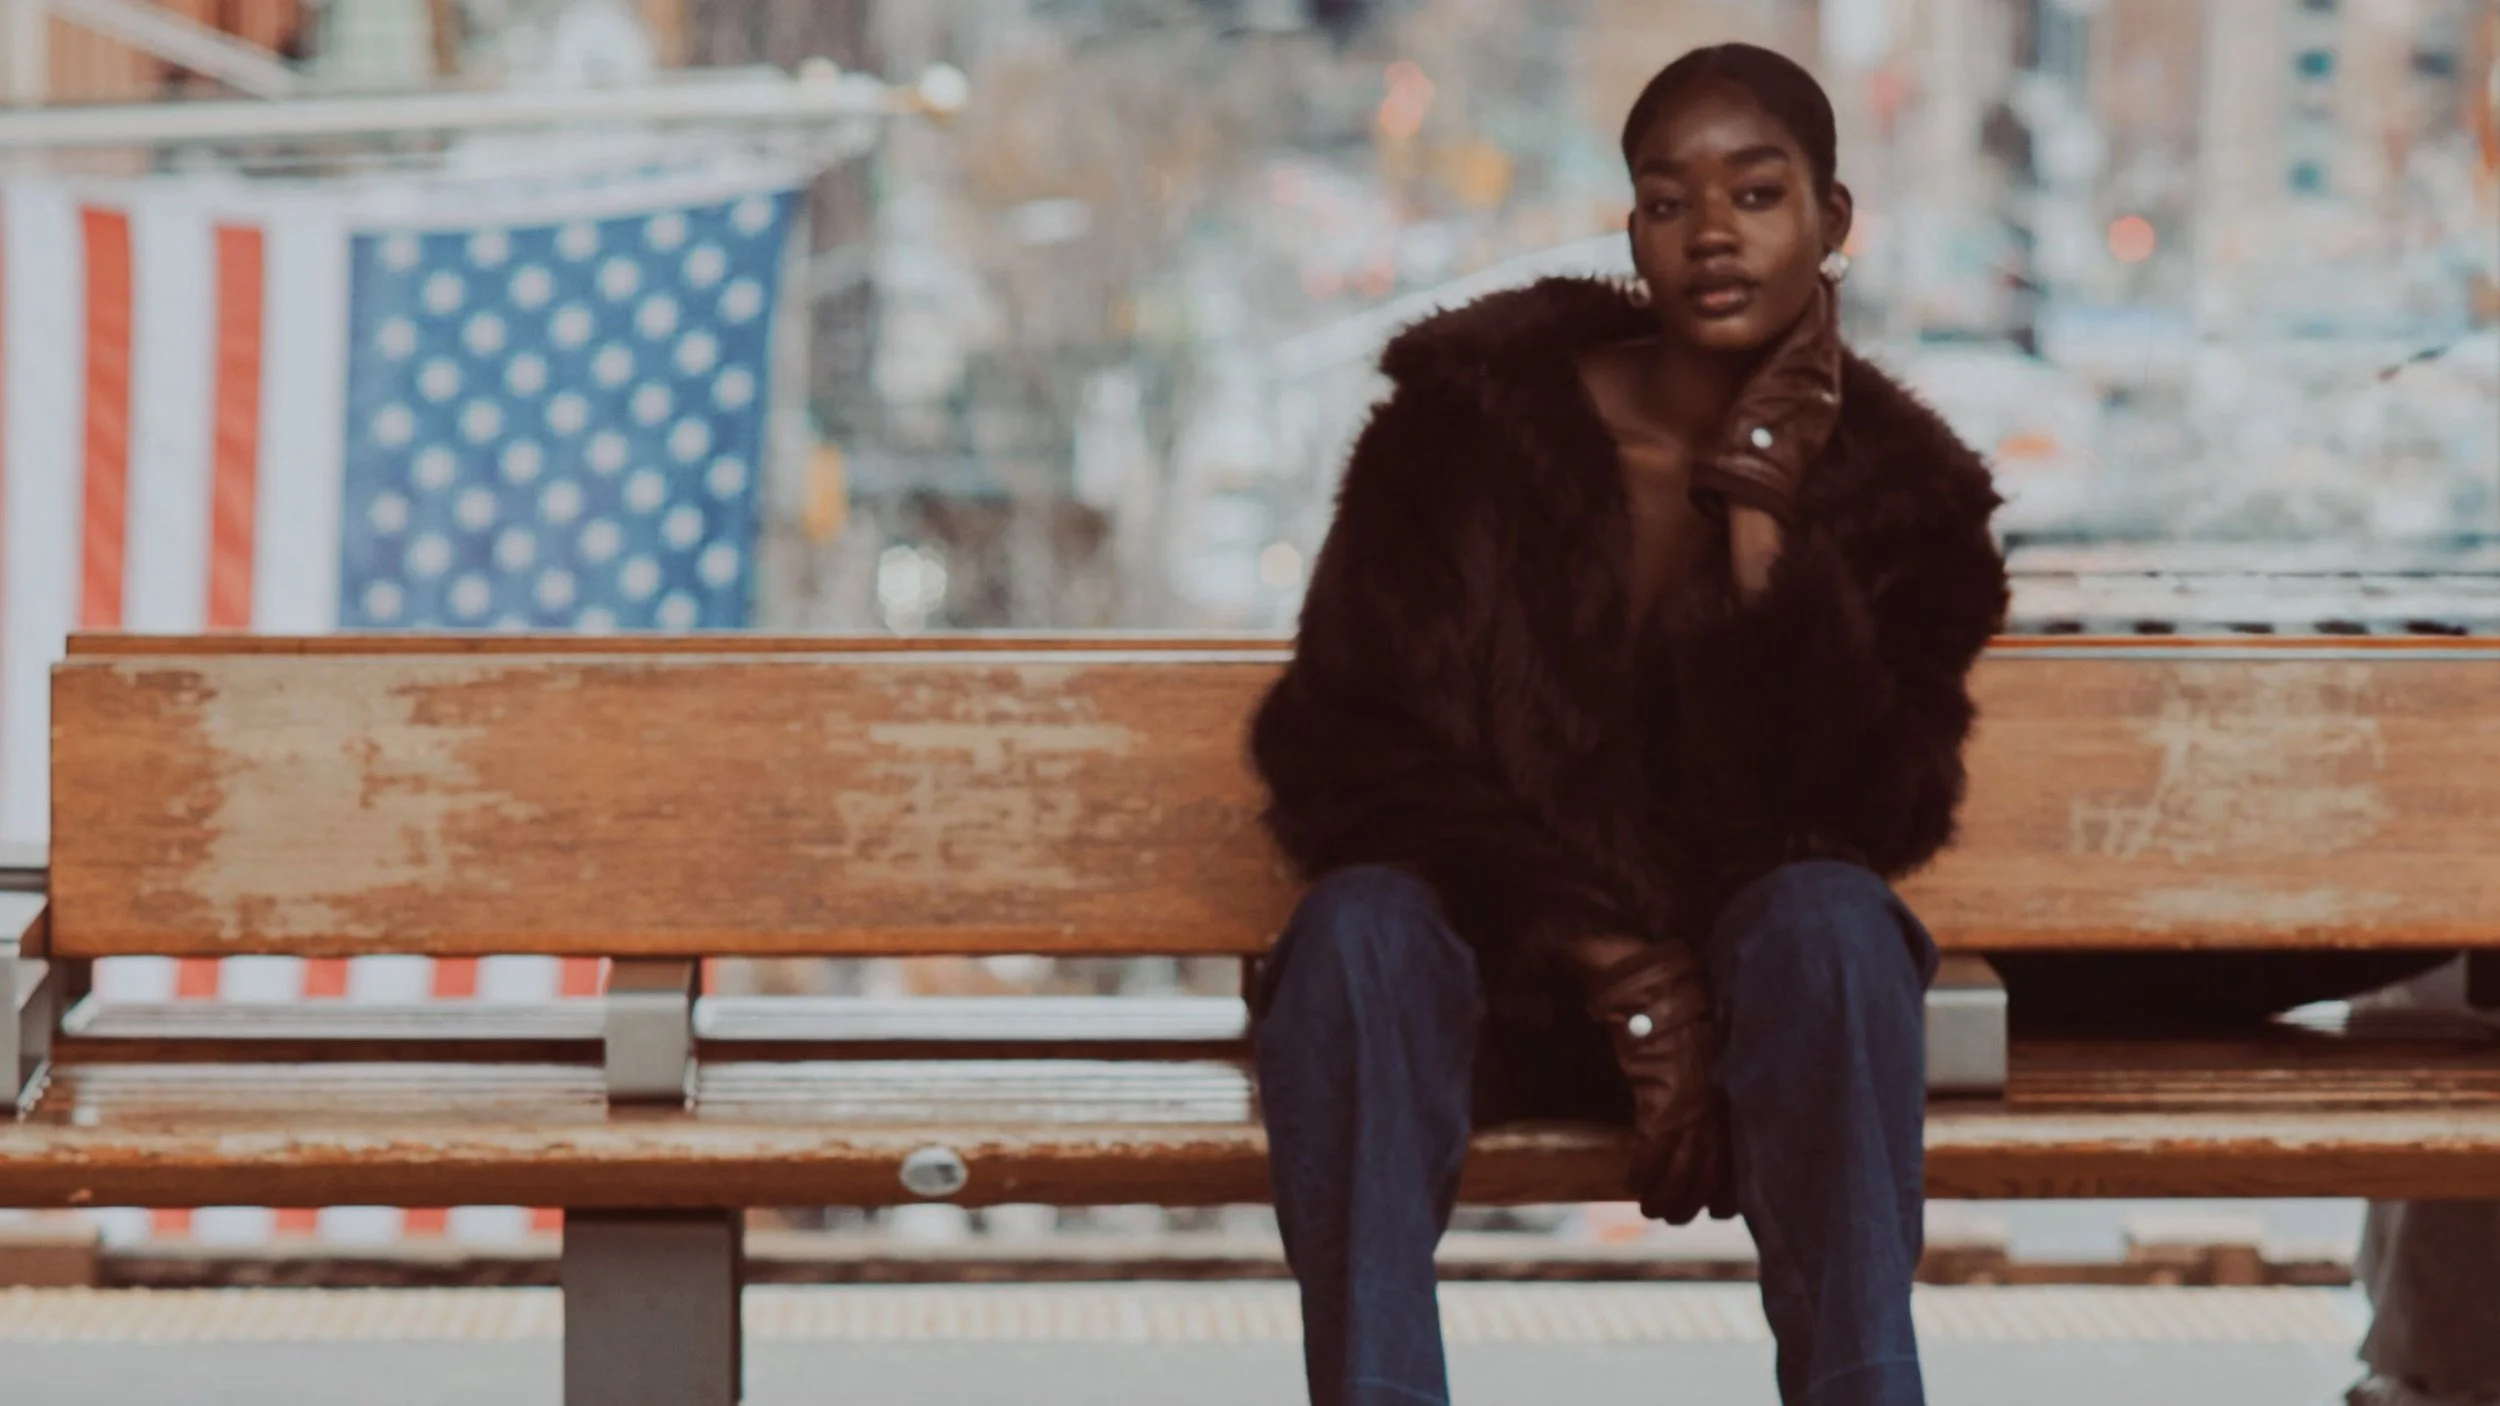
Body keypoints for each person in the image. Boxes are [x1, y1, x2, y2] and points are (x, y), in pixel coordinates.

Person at [1246, 43, 2006, 1406]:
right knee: (1354, 929)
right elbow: (1338, 751)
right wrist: (1613, 967)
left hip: (1750, 1017)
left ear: (1834, 222)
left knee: (1836, 923)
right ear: (1634, 228)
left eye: (1757, 193)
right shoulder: (1465, 432)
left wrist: (1767, 517)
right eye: (1669, 200)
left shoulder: (1907, 499)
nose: (1712, 233)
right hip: (1481, 994)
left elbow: (1881, 805)